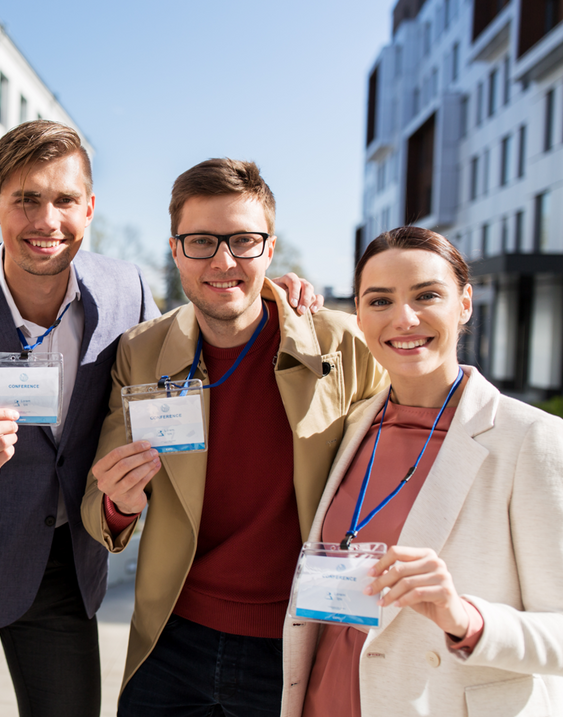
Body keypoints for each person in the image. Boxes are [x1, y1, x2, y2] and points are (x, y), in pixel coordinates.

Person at [0, 124, 321, 716]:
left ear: (89, 208)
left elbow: (181, 343)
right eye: (26, 199)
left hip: (71, 575)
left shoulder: (125, 290)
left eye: (65, 200)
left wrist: (275, 295)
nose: (48, 220)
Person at [83, 158, 388, 716]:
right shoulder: (141, 351)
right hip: (172, 641)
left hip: (295, 643)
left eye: (243, 241)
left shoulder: (344, 346)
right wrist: (120, 502)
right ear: (175, 251)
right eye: (201, 241)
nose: (224, 261)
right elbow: (98, 505)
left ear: (270, 250)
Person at [282, 226, 563, 717]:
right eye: (380, 300)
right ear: (360, 316)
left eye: (427, 295)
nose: (404, 319)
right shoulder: (351, 427)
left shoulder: (529, 439)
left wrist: (464, 617)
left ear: (465, 304)